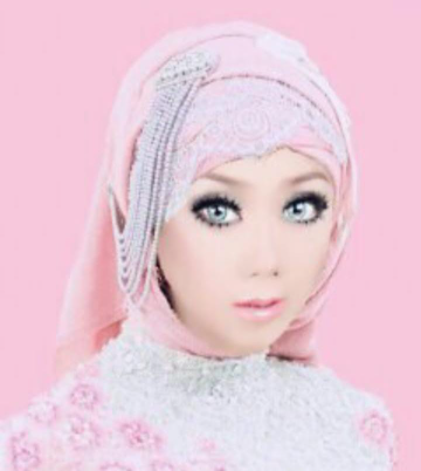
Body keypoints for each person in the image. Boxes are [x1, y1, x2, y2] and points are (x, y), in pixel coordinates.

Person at [0, 20, 398, 470]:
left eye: (301, 208)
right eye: (218, 210)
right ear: (142, 217)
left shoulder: (355, 428)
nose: (266, 259)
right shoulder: (54, 447)